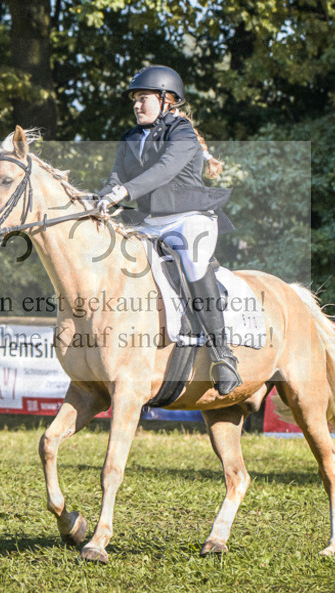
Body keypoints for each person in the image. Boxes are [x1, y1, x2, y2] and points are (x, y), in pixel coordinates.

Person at [95, 65, 241, 396]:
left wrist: (124, 192)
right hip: (150, 222)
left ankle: (223, 355)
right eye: (134, 99)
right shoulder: (131, 138)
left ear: (166, 100)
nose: (136, 105)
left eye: (143, 98)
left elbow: (163, 171)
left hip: (189, 218)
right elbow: (116, 178)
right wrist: (103, 199)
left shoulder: (183, 134)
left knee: (192, 264)